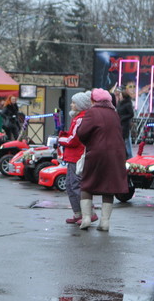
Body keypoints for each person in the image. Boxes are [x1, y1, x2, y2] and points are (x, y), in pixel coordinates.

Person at [76, 88, 128, 231]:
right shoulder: (114, 113)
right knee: (109, 187)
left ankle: (86, 218)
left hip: (97, 153)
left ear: (94, 100)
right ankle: (105, 222)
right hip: (116, 154)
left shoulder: (92, 112)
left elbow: (82, 133)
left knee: (87, 184)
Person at [58, 92, 98, 225]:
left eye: (74, 102)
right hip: (74, 155)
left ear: (80, 105)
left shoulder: (80, 119)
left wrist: (60, 138)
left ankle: (88, 213)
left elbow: (73, 140)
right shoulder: (79, 117)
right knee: (71, 185)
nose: (71, 104)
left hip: (76, 156)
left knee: (75, 185)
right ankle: (79, 213)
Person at [117, 86, 135, 159]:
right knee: (123, 140)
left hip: (125, 124)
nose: (119, 96)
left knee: (127, 141)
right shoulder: (120, 103)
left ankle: (130, 156)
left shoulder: (127, 104)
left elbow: (131, 114)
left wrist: (123, 118)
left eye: (120, 95)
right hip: (120, 124)